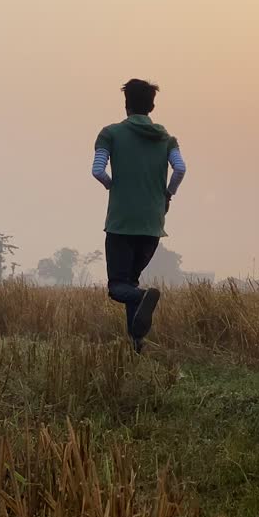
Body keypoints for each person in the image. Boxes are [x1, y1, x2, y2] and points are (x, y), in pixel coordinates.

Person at [91, 79, 186, 352]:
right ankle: (137, 343)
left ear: (126, 104)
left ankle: (143, 297)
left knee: (118, 287)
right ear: (152, 105)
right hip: (153, 225)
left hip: (121, 223)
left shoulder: (110, 134)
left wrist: (113, 185)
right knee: (129, 283)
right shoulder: (167, 140)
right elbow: (180, 169)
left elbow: (97, 170)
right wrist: (168, 194)